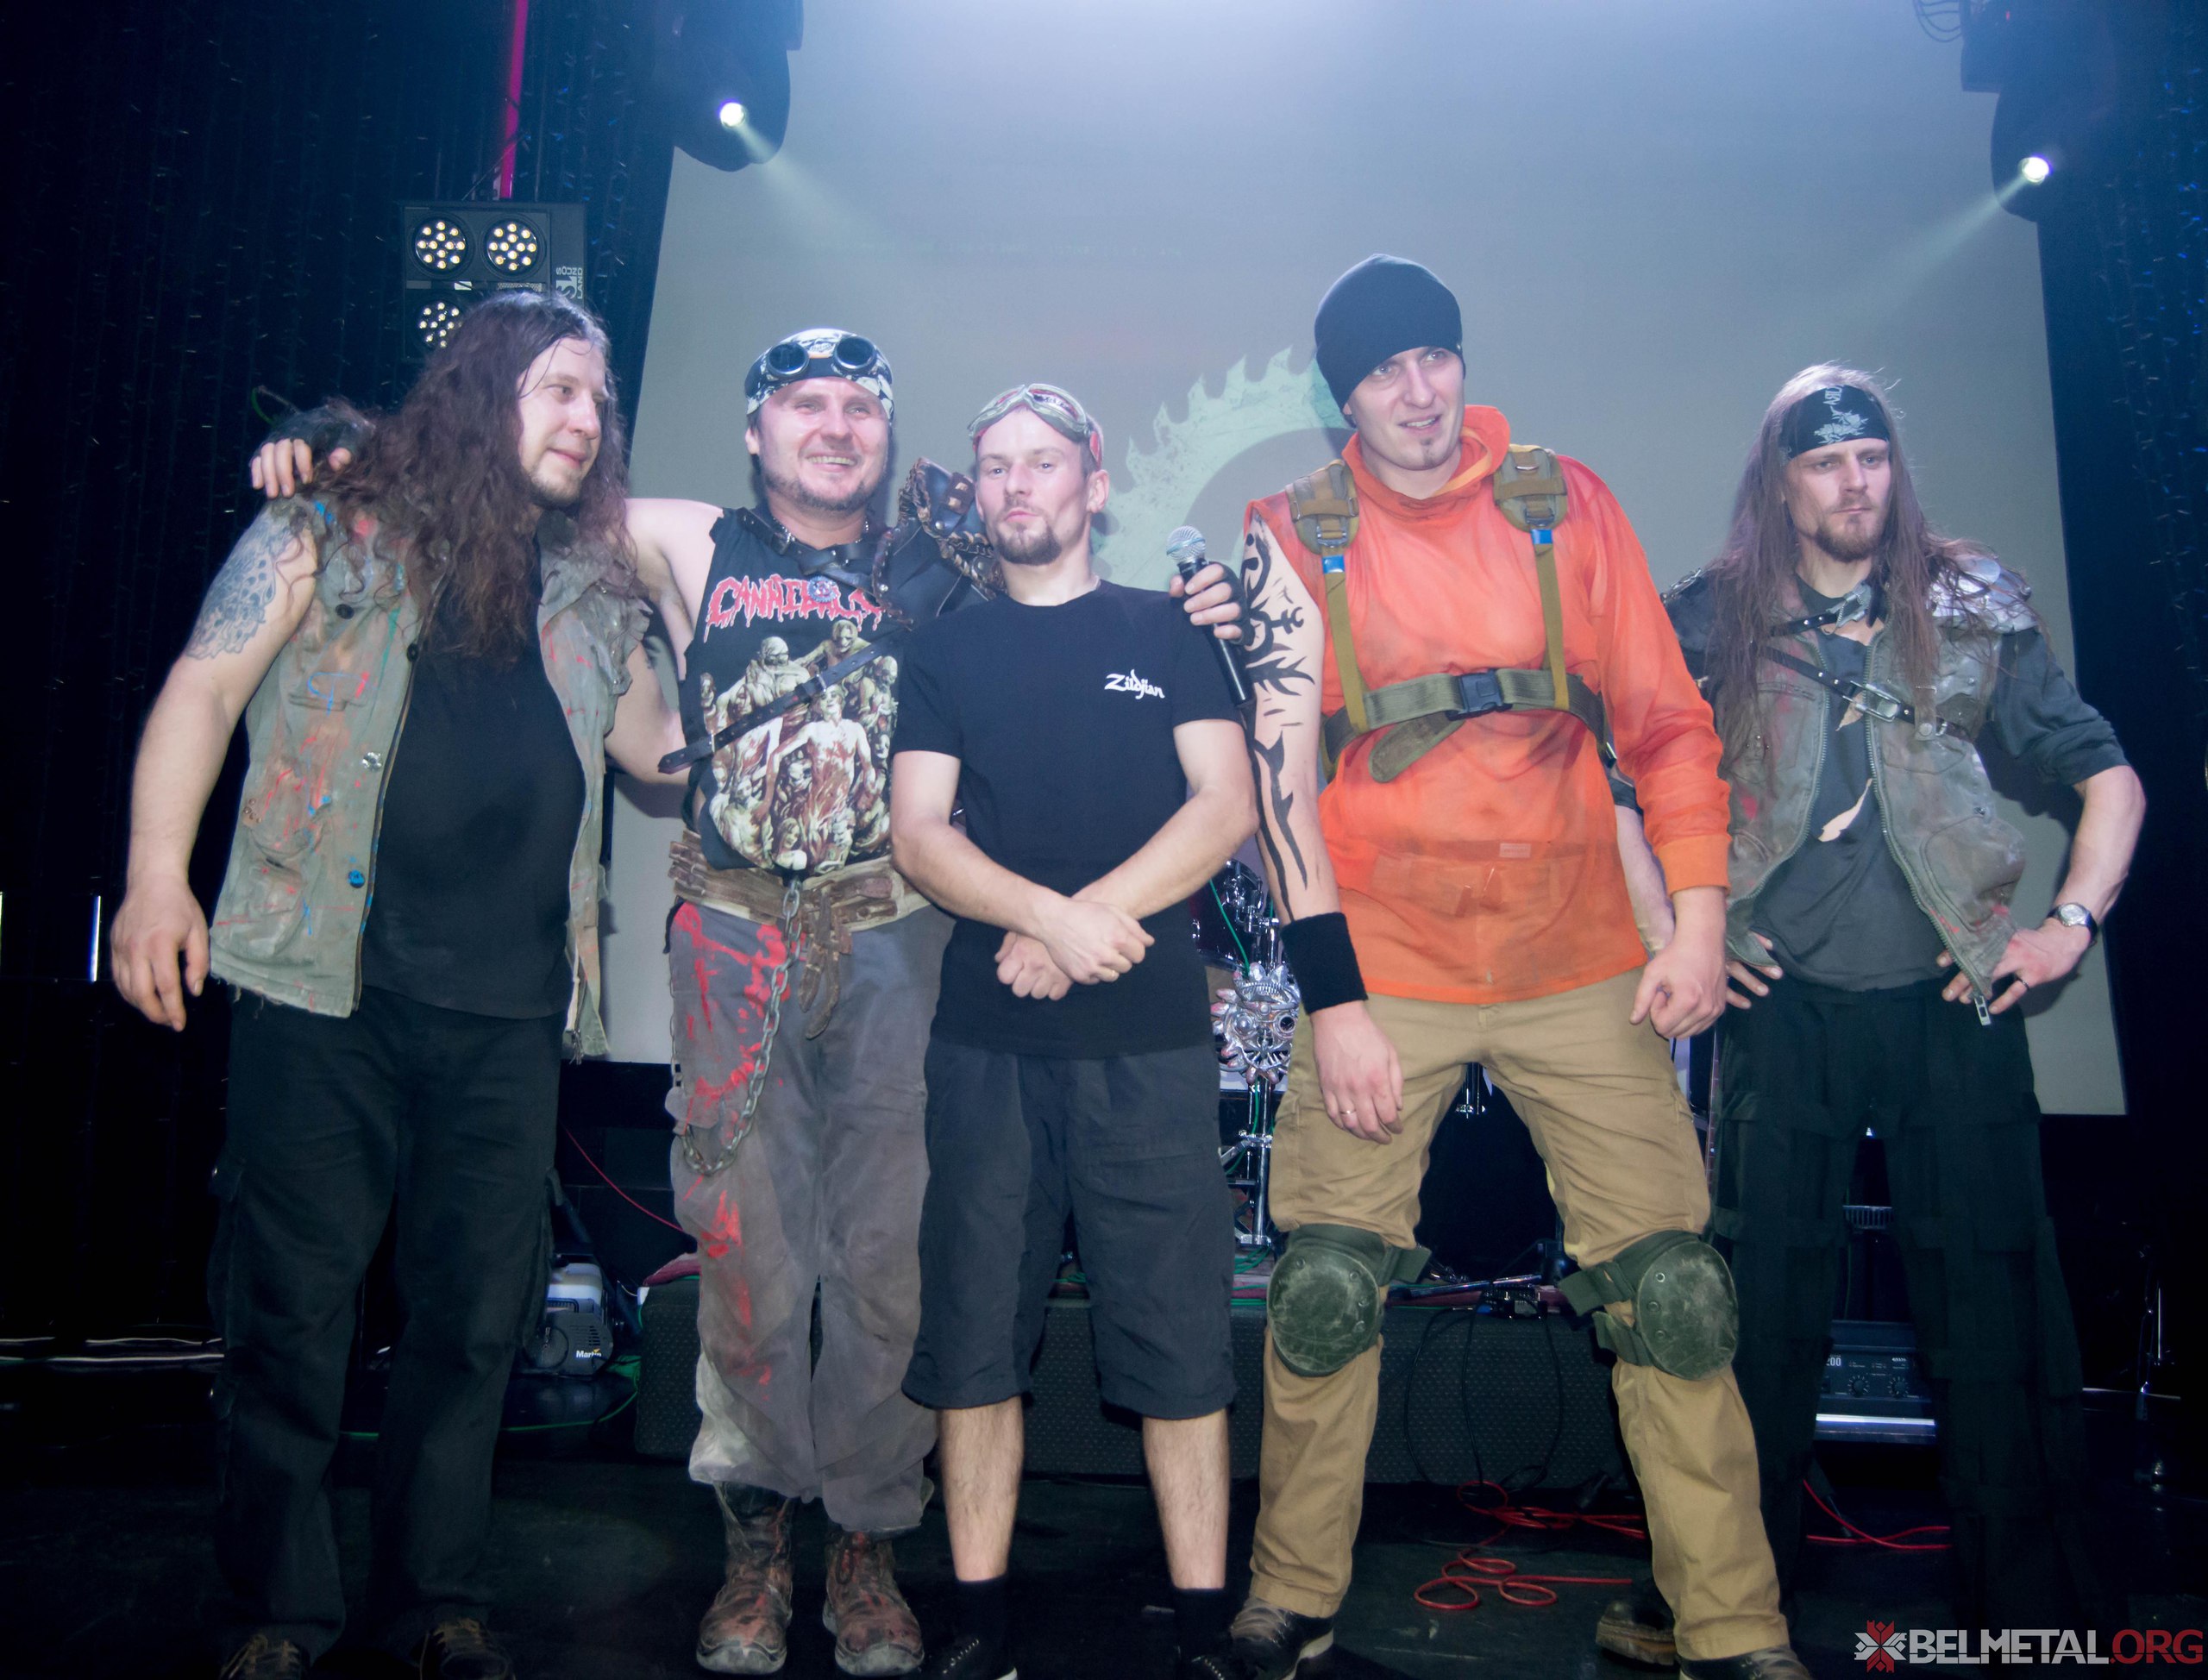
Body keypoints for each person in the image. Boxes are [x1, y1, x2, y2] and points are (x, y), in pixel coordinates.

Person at [251, 330, 1244, 1677]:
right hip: (733, 937)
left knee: (889, 1268)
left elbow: (1063, 594)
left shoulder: (947, 568)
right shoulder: (678, 537)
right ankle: (757, 1541)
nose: (834, 426)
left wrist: (1205, 602)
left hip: (896, 937)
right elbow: (507, 472)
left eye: (860, 406)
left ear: (890, 434)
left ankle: (869, 1542)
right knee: (748, 1260)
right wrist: (343, 442)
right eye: (803, 404)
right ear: (754, 429)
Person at [1226, 256, 1809, 1680]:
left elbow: (1668, 727)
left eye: (1435, 355)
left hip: (1577, 954)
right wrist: (1335, 1002)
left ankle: (1733, 1631)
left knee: (1674, 1293)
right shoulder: (1288, 532)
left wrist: (1697, 923)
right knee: (1325, 1290)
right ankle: (1290, 1597)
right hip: (1386, 963)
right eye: (1383, 369)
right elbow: (1278, 787)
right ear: (1344, 395)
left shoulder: (1564, 502)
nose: (1417, 390)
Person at [110, 291, 683, 1680]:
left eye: (599, 400)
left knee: (474, 1330)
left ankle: (434, 1602)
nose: (587, 418)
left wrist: (707, 610)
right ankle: (274, 1613)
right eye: (559, 388)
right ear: (483, 388)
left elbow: (663, 760)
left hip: (511, 1013)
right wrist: (155, 878)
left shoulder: (592, 587)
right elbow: (202, 689)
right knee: (290, 1318)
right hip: (325, 989)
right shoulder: (328, 526)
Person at [1610, 366, 2144, 1653]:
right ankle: (1727, 1609)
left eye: (1871, 458)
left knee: (1995, 1314)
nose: (1854, 483)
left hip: (1953, 1000)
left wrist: (2067, 929)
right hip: (1784, 1004)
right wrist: (1682, 934)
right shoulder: (1716, 616)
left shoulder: (1971, 604)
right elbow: (1616, 782)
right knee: (1757, 1325)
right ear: (1781, 481)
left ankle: (2031, 1616)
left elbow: (2112, 778)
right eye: (1824, 462)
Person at [888, 384, 1258, 1680]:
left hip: (1148, 1045)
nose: (1016, 485)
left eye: (1042, 463)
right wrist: (1045, 919)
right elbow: (919, 834)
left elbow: (1226, 806)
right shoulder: (945, 650)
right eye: (995, 466)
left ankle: (1204, 1632)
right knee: (976, 1343)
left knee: (1181, 1346)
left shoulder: (1170, 629)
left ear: (1095, 484)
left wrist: (1079, 924)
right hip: (986, 1048)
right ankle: (980, 1627)